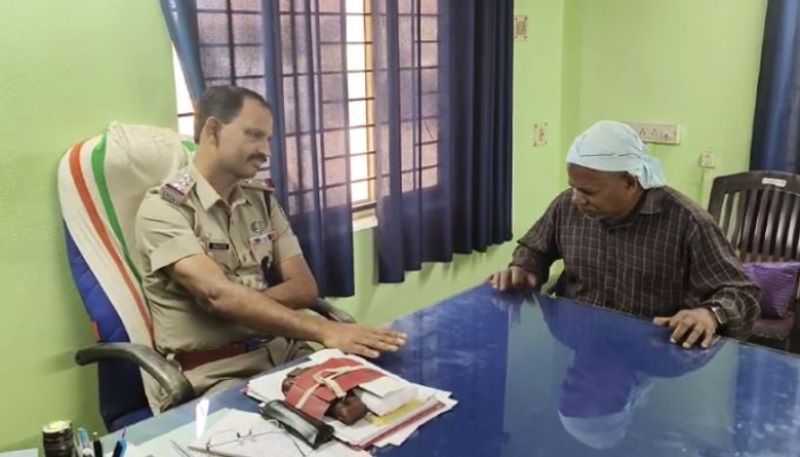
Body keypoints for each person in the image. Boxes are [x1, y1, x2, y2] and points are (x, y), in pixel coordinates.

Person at [135, 85, 406, 406]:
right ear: (212, 130)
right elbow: (215, 294)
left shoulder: (260, 200)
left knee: (384, 401)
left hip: (285, 353)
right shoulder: (164, 209)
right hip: (216, 374)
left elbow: (304, 288)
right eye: (253, 135)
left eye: (268, 139)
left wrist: (243, 305)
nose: (265, 150)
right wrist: (323, 329)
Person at [488, 120, 760, 349]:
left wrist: (709, 314)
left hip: (651, 352)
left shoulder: (688, 222)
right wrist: (524, 270)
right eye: (573, 187)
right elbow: (534, 250)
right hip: (579, 342)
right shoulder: (566, 207)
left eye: (588, 192)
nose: (576, 200)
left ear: (630, 182)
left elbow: (741, 292)